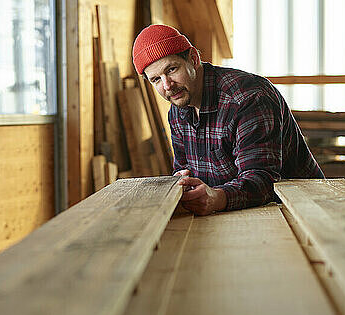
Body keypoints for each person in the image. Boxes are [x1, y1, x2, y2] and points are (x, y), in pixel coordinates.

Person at [132, 24, 324, 216]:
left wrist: (216, 198)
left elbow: (263, 180)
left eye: (172, 69)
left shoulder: (248, 98)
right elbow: (184, 170)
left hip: (302, 211)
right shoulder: (178, 110)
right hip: (237, 213)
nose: (167, 86)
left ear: (193, 58)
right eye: (156, 79)